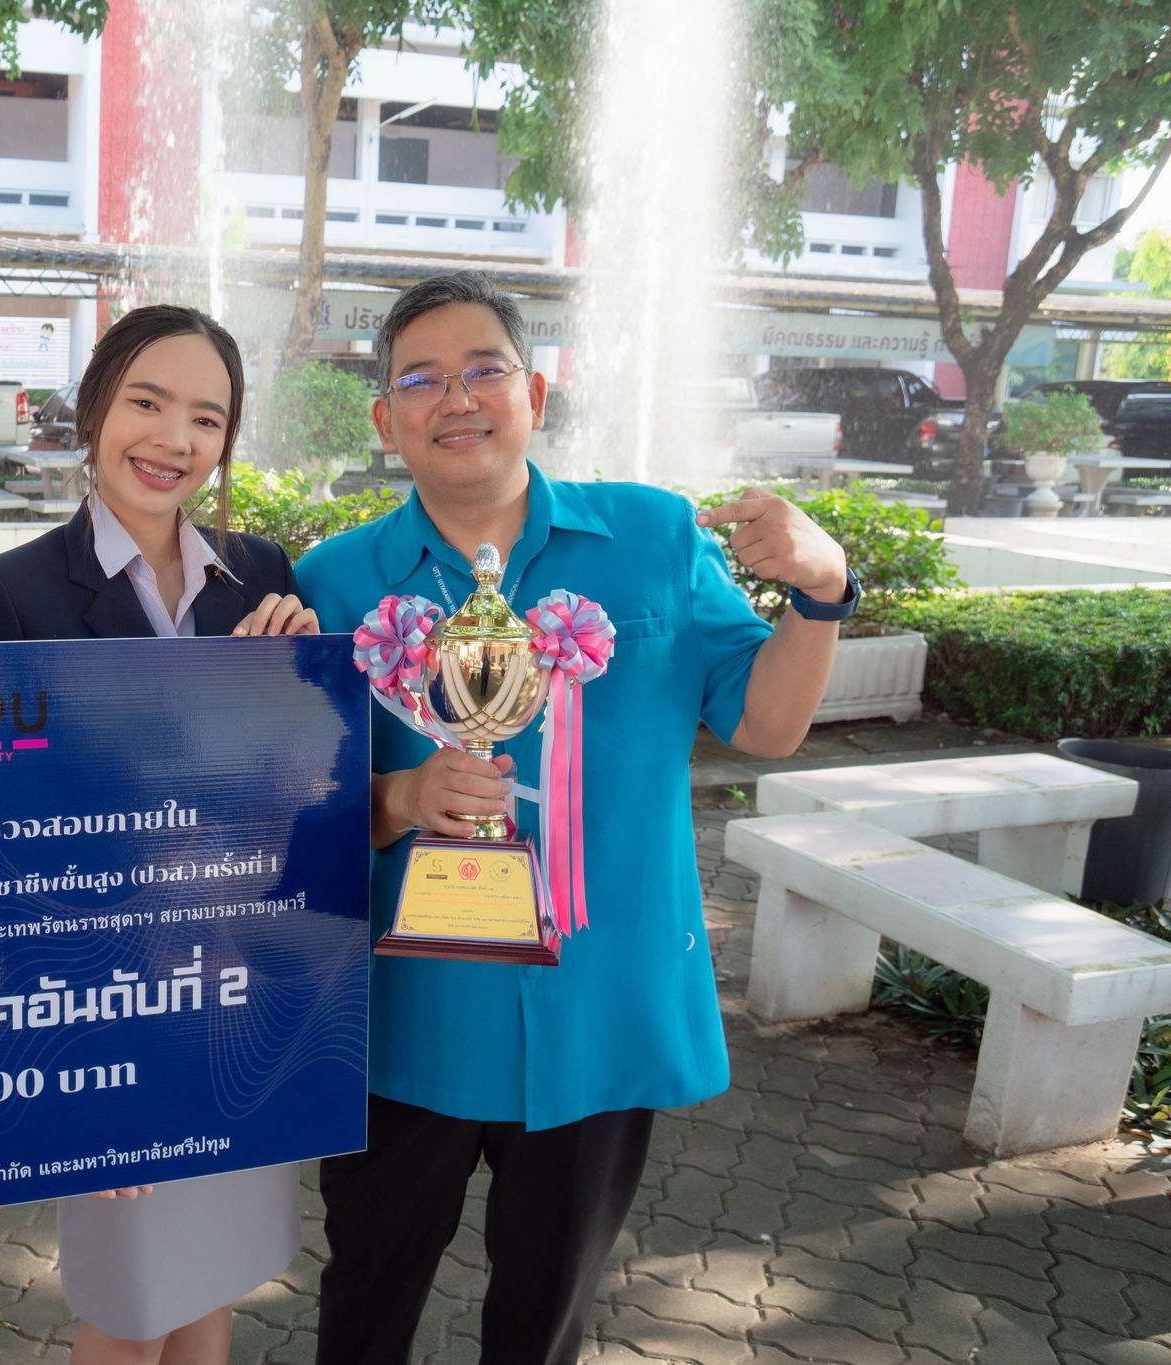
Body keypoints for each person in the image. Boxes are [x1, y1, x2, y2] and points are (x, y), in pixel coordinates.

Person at [292, 272, 854, 1365]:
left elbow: (765, 724)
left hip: (595, 1011)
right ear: (383, 419)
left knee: (543, 1315)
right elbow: (291, 815)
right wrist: (398, 798)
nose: (456, 398)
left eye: (484, 369)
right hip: (405, 1015)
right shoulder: (331, 583)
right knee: (364, 1299)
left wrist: (820, 591)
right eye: (420, 378)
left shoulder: (650, 538)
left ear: (534, 394)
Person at [0, 303, 317, 1365]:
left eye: (205, 418)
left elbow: (299, 784)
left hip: (241, 983)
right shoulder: (9, 592)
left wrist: (296, 675)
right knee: (125, 1295)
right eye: (146, 404)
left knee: (209, 1276)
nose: (172, 440)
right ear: (92, 410)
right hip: (110, 994)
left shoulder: (262, 577)